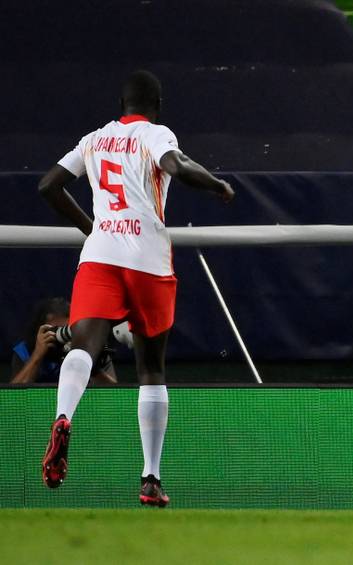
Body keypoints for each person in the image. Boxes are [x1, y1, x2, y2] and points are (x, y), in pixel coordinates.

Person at [38, 70, 235, 507]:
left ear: (120, 103)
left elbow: (48, 185)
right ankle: (150, 477)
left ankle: (64, 416)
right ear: (157, 104)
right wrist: (216, 184)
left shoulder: (94, 138)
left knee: (82, 348)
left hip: (100, 255)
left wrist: (92, 228)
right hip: (146, 257)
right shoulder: (154, 134)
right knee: (151, 367)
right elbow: (176, 165)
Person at [11, 298, 116, 384]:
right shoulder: (24, 351)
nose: (63, 337)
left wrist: (91, 368)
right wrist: (37, 355)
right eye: (56, 330)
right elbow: (13, 398)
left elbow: (114, 394)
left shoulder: (92, 347)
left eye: (67, 330)